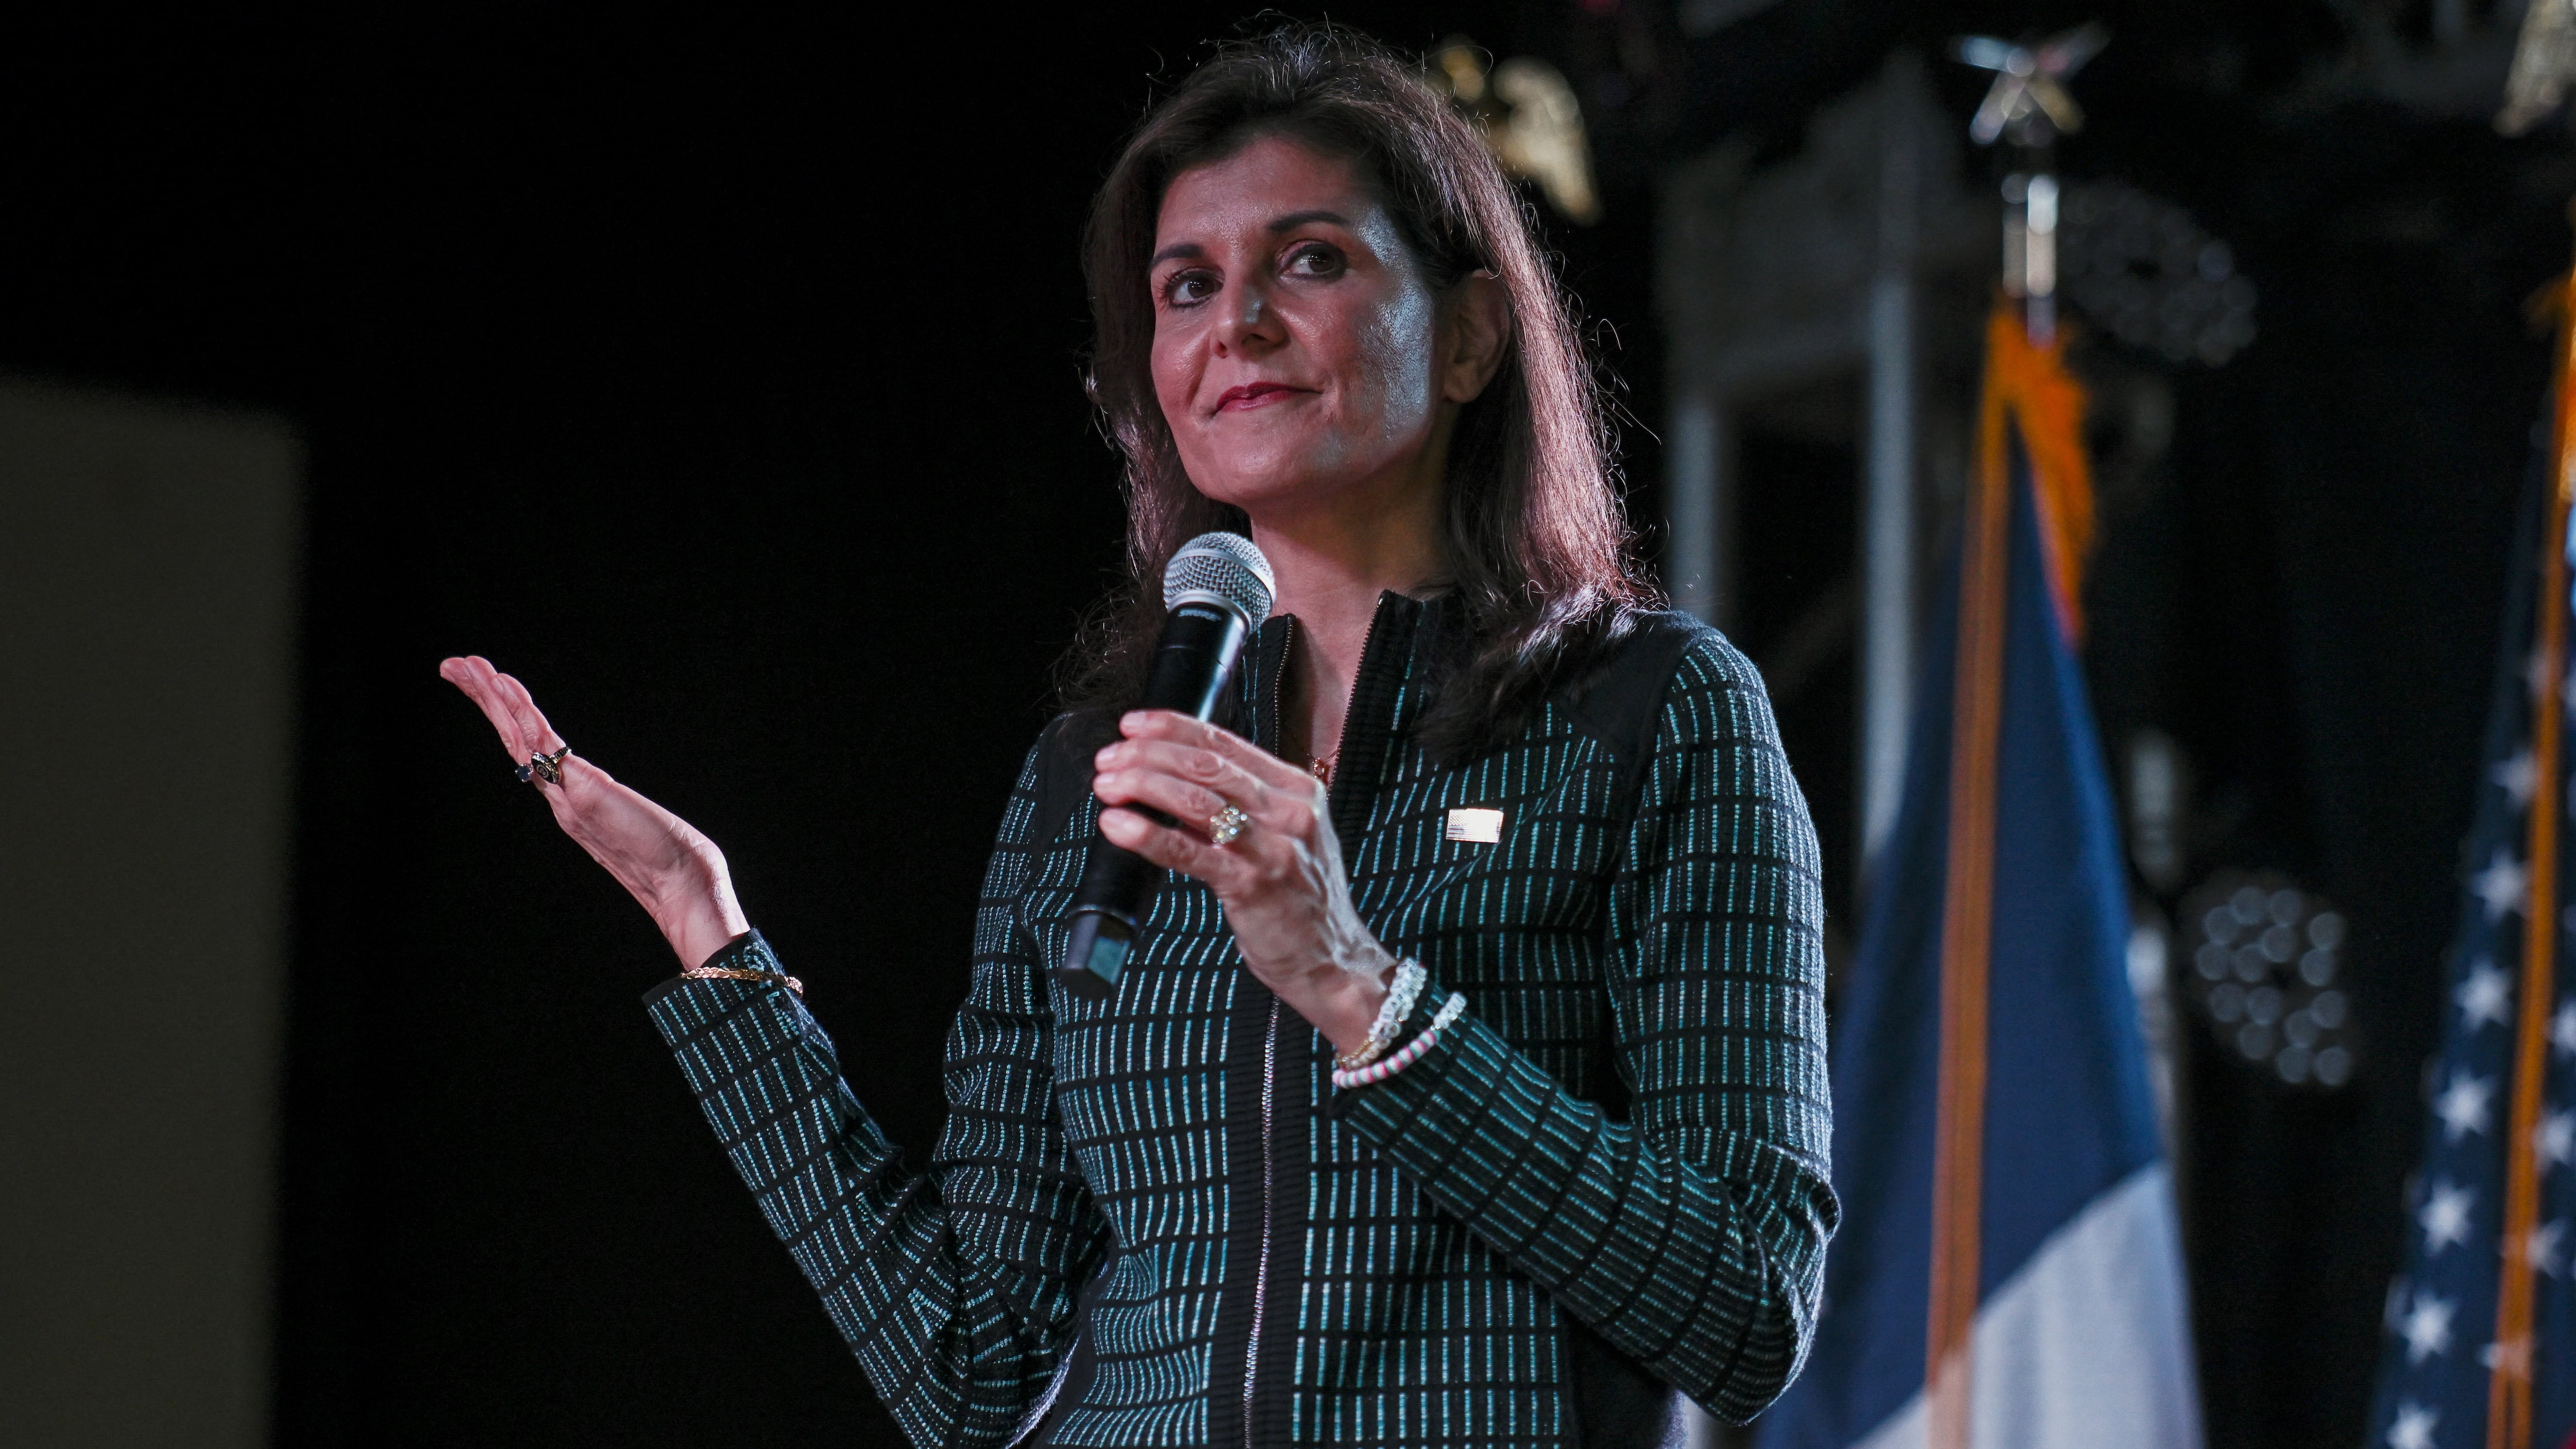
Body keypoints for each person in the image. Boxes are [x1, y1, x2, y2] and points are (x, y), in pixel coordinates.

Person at [442, 26, 1833, 1448]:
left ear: (1471, 333)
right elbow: (973, 1370)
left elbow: (1748, 1313)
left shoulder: (1655, 713)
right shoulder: (1088, 776)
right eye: (1188, 286)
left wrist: (1364, 992)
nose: (1236, 324)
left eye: (1310, 260)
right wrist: (713, 941)